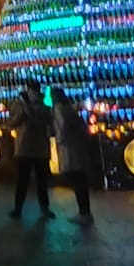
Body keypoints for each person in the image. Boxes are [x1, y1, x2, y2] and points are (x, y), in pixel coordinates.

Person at [6, 79, 55, 219]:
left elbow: (46, 120)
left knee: (36, 181)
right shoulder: (24, 105)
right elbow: (12, 122)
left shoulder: (41, 104)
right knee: (26, 180)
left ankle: (34, 208)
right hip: (29, 148)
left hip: (31, 148)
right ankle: (21, 207)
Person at [51, 87, 94, 225]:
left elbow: (61, 126)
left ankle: (83, 212)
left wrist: (58, 140)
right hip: (77, 145)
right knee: (80, 178)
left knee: (76, 179)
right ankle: (85, 211)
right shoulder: (70, 107)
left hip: (68, 147)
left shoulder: (58, 109)